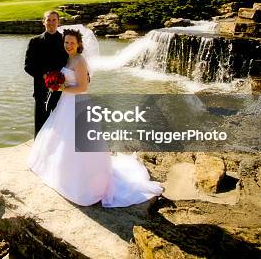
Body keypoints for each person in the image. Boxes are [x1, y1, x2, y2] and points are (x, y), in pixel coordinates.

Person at [28, 28, 163, 207]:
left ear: (79, 44)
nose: (68, 45)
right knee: (62, 138)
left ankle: (83, 184)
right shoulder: (68, 58)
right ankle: (63, 173)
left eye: (72, 43)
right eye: (66, 42)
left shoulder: (80, 61)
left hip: (77, 103)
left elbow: (83, 87)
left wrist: (60, 88)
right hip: (66, 104)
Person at [24, 11, 68, 137]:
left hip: (63, 90)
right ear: (44, 22)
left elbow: (73, 61)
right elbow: (28, 66)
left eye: (54, 20)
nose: (51, 23)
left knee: (60, 124)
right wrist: (44, 76)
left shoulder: (66, 41)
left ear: (59, 22)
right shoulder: (34, 41)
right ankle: (39, 153)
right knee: (41, 125)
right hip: (41, 89)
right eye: (48, 20)